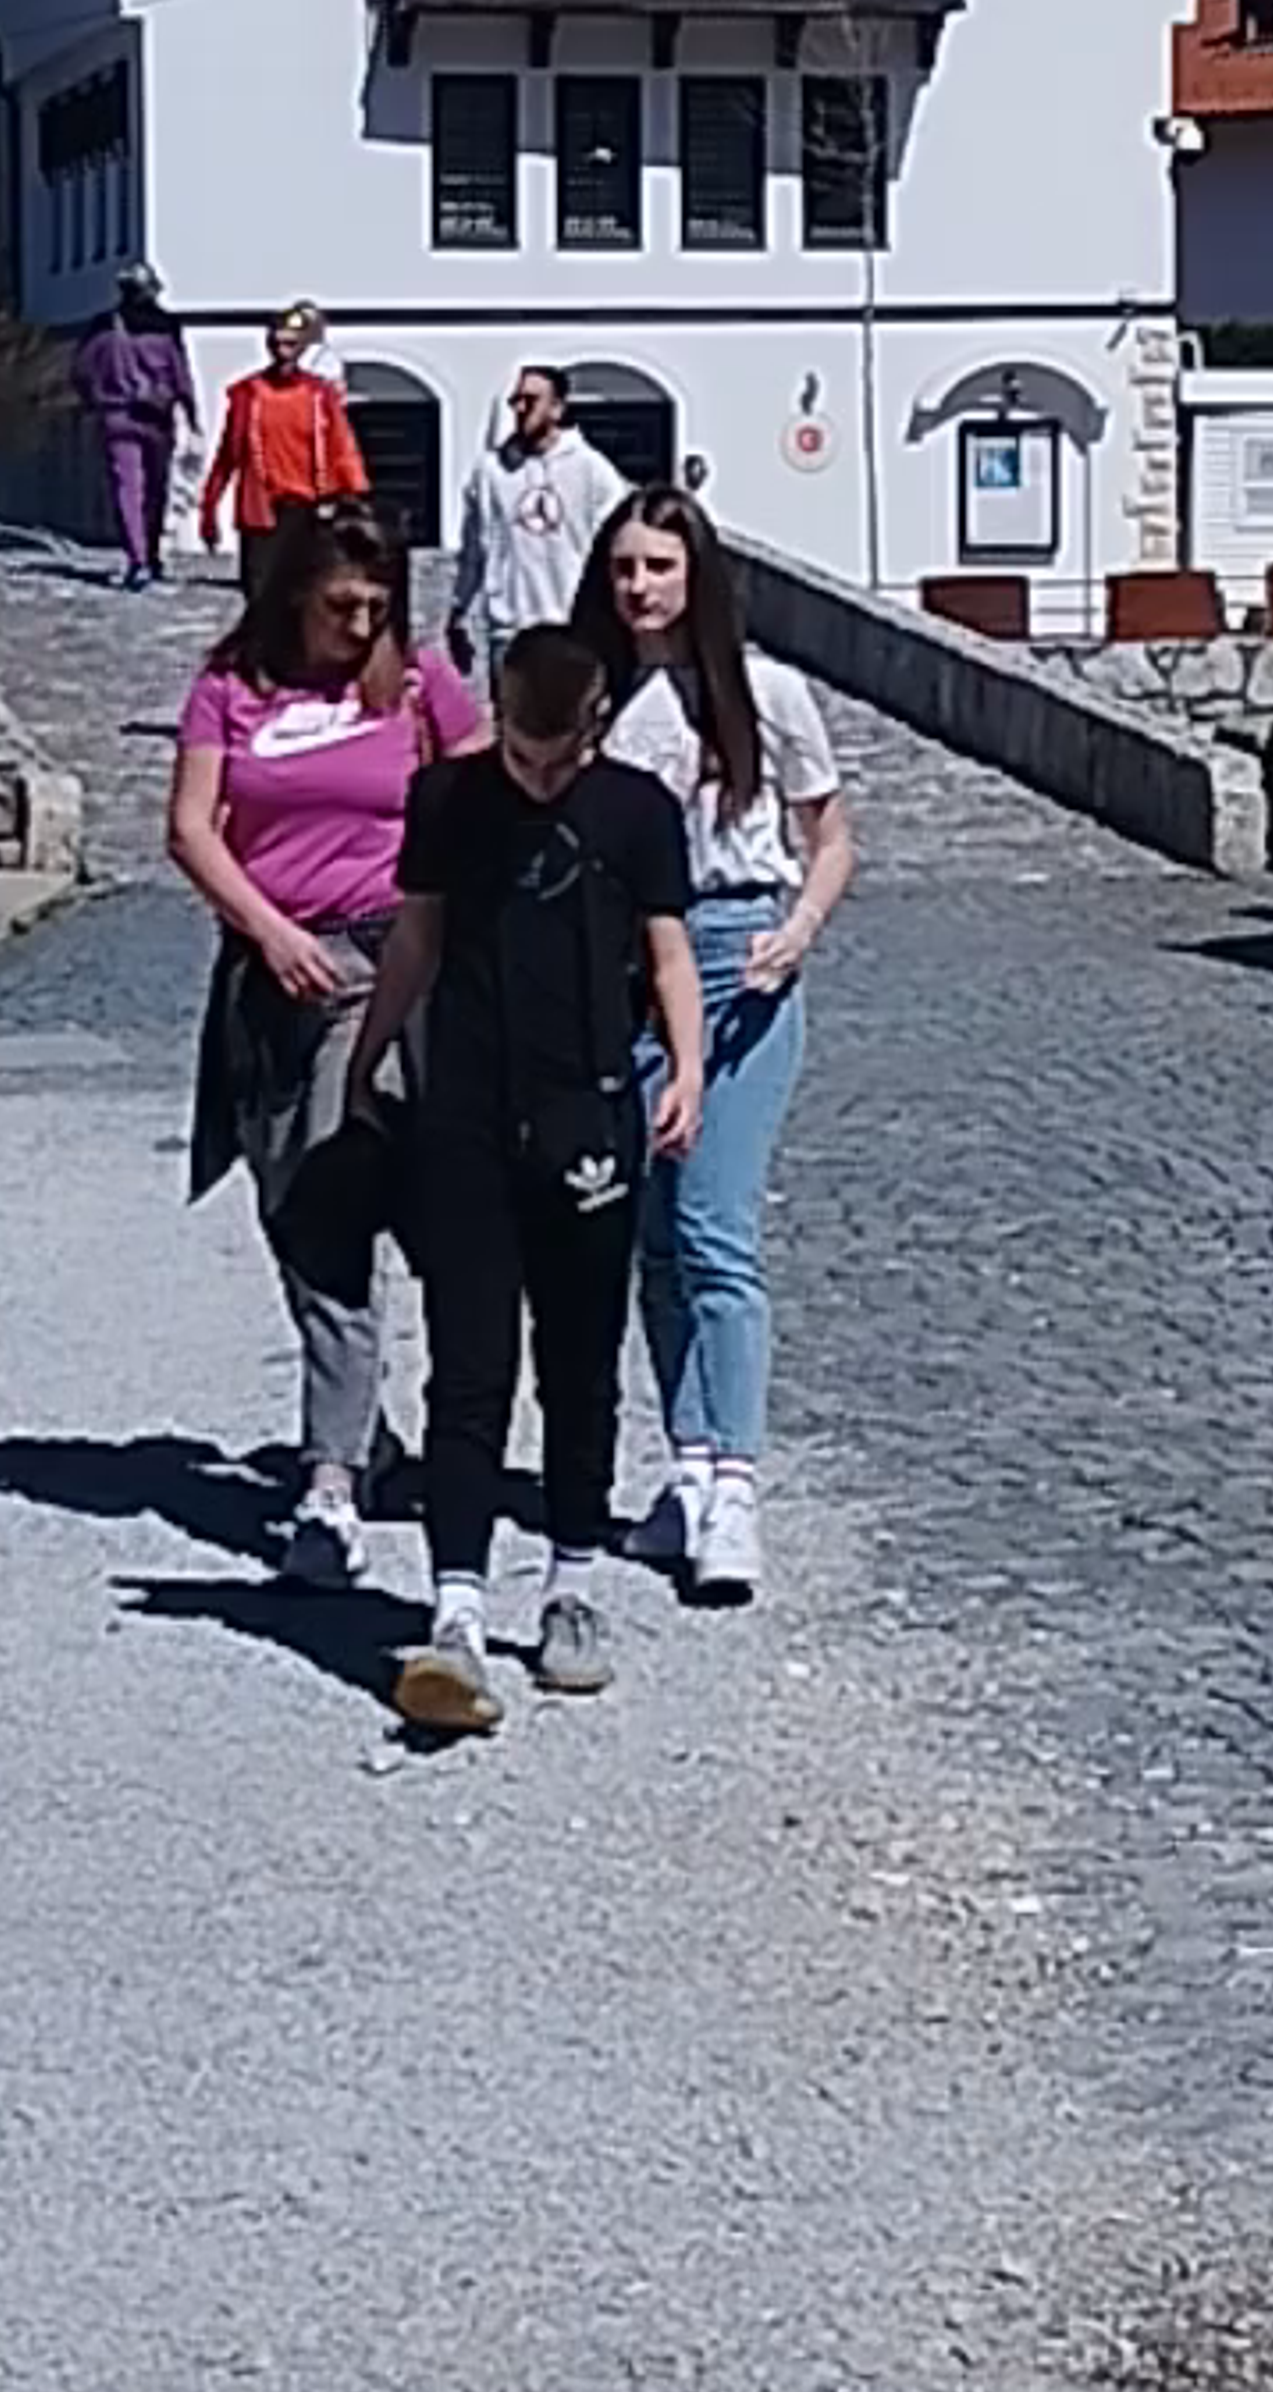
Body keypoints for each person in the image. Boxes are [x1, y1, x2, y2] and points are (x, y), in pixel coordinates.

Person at [355, 619, 704, 1735]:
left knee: (580, 1362)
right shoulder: (448, 801)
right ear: (496, 717)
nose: (538, 778)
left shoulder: (637, 811)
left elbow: (667, 951)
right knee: (468, 1361)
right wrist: (371, 1050)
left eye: (559, 761)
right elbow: (416, 934)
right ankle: (454, 1606)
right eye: (520, 754)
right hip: (465, 1104)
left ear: (595, 729)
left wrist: (686, 1067)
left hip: (589, 1105)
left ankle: (572, 1584)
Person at [169, 506, 481, 1582]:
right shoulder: (230, 682)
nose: (360, 623)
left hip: (394, 965)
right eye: (341, 602)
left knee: (343, 1195)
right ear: (296, 589)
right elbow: (194, 827)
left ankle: (335, 1479)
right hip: (273, 973)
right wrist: (267, 927)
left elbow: (488, 793)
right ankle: (365, 1434)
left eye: (378, 604)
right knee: (292, 1204)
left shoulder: (420, 680)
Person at [571, 486, 853, 1600]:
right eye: (625, 566)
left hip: (738, 954)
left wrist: (796, 933)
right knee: (650, 1237)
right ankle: (686, 1465)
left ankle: (737, 1480)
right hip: (631, 963)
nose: (639, 586)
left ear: (699, 577)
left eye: (658, 566)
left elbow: (830, 836)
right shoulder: (599, 700)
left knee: (715, 1225)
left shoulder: (768, 694)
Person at [446, 363, 628, 679]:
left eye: (530, 400)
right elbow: (473, 551)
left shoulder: (594, 472)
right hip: (510, 631)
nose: (520, 408)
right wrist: (458, 611)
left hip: (572, 628)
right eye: (515, 400)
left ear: (557, 408)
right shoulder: (490, 472)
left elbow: (617, 547)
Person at [197, 304, 368, 558]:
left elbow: (342, 448)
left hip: (308, 507)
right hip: (260, 510)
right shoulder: (249, 394)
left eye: (290, 344)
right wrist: (209, 508)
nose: (283, 352)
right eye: (277, 344)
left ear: (301, 348)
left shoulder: (319, 396)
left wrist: (353, 496)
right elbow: (227, 456)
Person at [74, 273, 199, 585]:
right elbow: (181, 375)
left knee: (127, 489)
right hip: (157, 417)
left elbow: (81, 371)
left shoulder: (103, 328)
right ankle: (150, 554)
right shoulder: (166, 328)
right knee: (155, 490)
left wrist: (94, 401)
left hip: (117, 415)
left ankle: (138, 557)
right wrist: (192, 413)